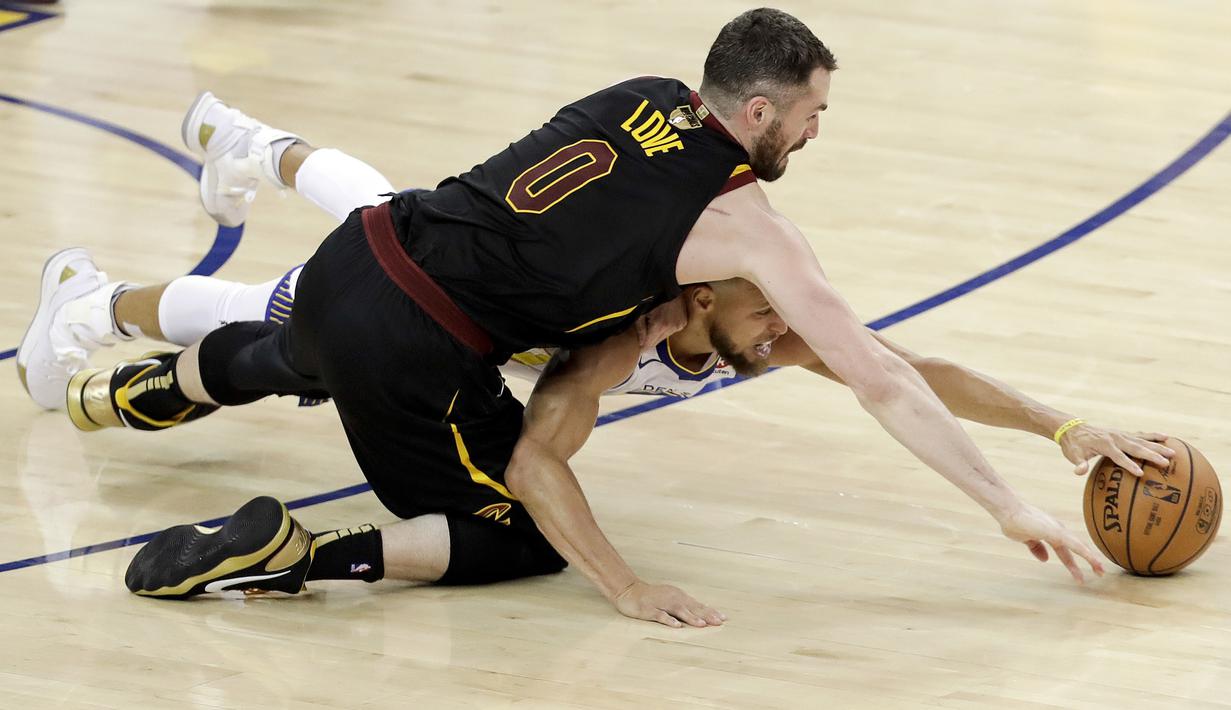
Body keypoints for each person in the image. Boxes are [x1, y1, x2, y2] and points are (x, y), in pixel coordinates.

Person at [19, 9, 1169, 628]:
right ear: (757, 109)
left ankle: (121, 382)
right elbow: (879, 378)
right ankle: (289, 559)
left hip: (369, 248)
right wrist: (624, 586)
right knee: (521, 532)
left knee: (290, 339)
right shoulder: (730, 249)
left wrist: (1065, 429)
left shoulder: (645, 98)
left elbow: (893, 360)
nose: (818, 131)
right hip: (418, 332)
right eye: (812, 112)